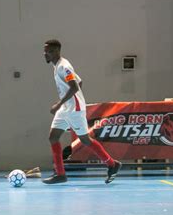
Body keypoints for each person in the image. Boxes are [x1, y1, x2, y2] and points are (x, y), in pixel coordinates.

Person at [42, 39, 121, 184]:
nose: (45, 54)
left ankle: (112, 164)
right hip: (66, 108)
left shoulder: (64, 67)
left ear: (57, 51)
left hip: (74, 110)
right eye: (45, 51)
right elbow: (80, 81)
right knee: (53, 137)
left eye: (49, 51)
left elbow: (74, 87)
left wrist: (60, 103)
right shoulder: (57, 66)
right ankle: (60, 174)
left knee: (85, 140)